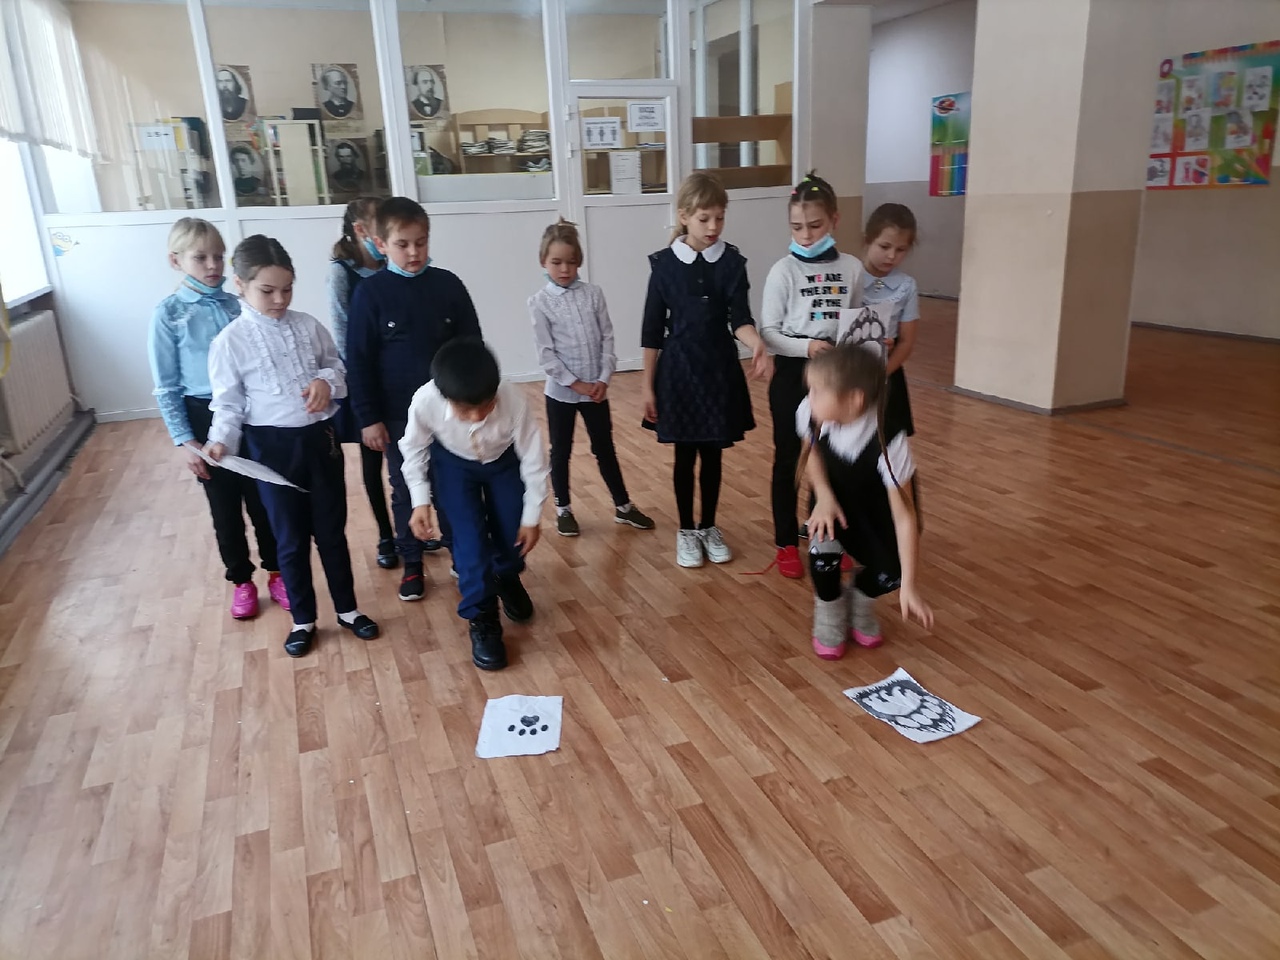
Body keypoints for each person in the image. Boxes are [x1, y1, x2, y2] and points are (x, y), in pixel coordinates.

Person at [205, 235, 380, 658]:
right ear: (240, 284)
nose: (280, 299)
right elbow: (228, 404)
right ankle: (303, 619)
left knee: (332, 532)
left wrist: (325, 382)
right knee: (289, 538)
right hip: (271, 450)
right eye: (267, 290)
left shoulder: (308, 326)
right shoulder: (229, 342)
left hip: (320, 442)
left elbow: (336, 366)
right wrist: (219, 441)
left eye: (287, 289)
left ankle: (348, 609)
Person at [147, 218, 285, 621]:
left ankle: (277, 572)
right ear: (175, 260)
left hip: (251, 412)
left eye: (219, 257)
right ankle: (241, 580)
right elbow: (166, 386)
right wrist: (185, 441)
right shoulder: (169, 314)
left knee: (264, 501)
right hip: (202, 416)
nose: (212, 266)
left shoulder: (237, 304)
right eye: (201, 257)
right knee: (225, 507)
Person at [346, 196, 481, 602]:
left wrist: (473, 400)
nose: (414, 252)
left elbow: (471, 346)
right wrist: (368, 418)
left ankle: (460, 553)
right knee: (406, 489)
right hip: (397, 418)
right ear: (380, 244)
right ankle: (412, 561)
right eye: (402, 244)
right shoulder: (370, 294)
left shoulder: (449, 285)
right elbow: (359, 361)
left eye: (421, 242)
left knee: (453, 486)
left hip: (450, 412)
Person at [641, 172, 772, 569]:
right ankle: (686, 530)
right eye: (704, 218)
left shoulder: (732, 262)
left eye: (720, 217)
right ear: (684, 217)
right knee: (685, 455)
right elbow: (651, 331)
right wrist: (647, 387)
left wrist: (756, 343)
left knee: (713, 454)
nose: (713, 226)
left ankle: (709, 526)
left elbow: (740, 319)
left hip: (718, 370)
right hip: (678, 373)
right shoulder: (664, 265)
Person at [400, 339, 548, 672]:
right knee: (469, 542)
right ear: (444, 397)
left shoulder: (513, 399)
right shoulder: (425, 401)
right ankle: (482, 615)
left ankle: (506, 576)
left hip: (503, 462)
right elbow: (413, 449)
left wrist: (532, 516)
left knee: (513, 527)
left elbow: (535, 460)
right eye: (465, 410)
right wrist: (420, 501)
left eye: (486, 406)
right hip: (454, 466)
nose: (477, 416)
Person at [758, 172, 863, 579]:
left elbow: (856, 320)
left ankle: (824, 535)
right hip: (793, 373)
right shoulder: (782, 271)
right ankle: (785, 542)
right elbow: (769, 332)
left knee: (832, 458)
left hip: (836, 374)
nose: (805, 235)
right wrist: (805, 348)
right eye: (797, 227)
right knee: (790, 459)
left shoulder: (852, 268)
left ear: (834, 220)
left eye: (815, 226)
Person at [800, 343, 932, 661]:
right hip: (832, 502)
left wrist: (909, 585)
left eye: (818, 391)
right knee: (823, 553)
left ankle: (860, 601)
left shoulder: (889, 441)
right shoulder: (812, 411)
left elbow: (905, 517)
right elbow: (810, 450)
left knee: (892, 571)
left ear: (854, 399)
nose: (809, 397)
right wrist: (824, 496)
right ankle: (829, 611)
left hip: (877, 513)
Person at [528, 218, 654, 538]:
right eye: (557, 262)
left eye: (571, 262)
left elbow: (606, 338)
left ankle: (623, 506)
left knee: (605, 447)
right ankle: (563, 508)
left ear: (579, 261)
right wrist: (576, 384)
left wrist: (603, 378)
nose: (564, 269)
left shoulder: (593, 294)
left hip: (597, 390)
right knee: (561, 451)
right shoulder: (539, 303)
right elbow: (546, 355)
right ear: (543, 261)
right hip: (562, 393)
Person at [328, 196, 396, 570]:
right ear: (360, 230)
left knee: (408, 457)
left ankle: (412, 527)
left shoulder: (390, 267)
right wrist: (364, 387)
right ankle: (386, 535)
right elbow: (343, 338)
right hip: (364, 381)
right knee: (373, 461)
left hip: (397, 381)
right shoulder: (341, 273)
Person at [860, 203, 920, 440]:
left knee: (889, 441)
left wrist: (881, 373)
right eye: (884, 247)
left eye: (901, 249)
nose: (892, 256)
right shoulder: (850, 275)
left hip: (887, 371)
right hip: (849, 369)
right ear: (867, 240)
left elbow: (906, 342)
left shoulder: (907, 286)